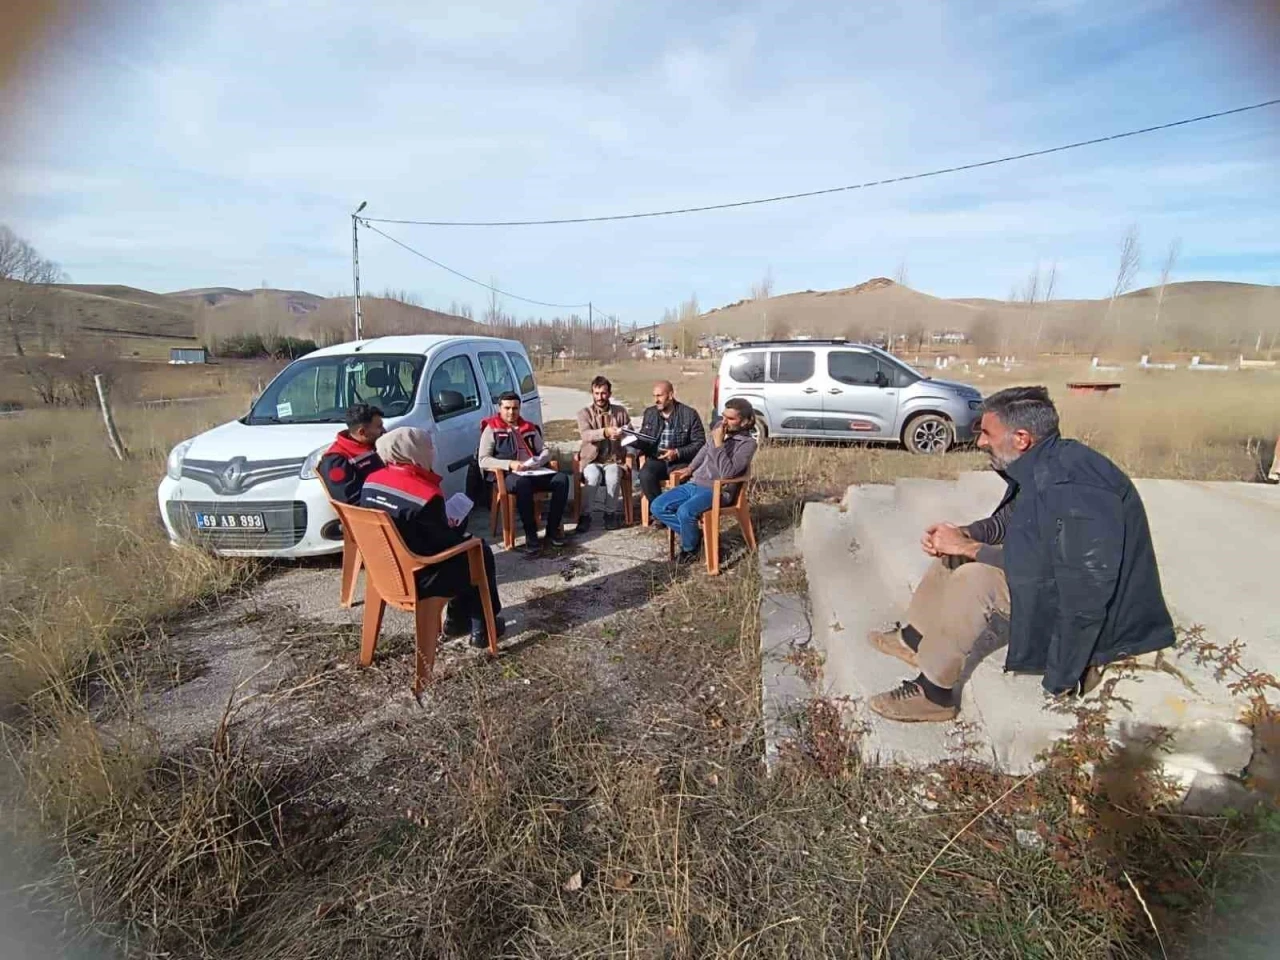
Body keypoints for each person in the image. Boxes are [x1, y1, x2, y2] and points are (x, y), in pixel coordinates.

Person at [866, 385, 1175, 723]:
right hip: (1053, 574)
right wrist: (967, 535)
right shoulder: (1043, 462)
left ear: (1022, 438)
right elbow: (1012, 520)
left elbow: (1083, 588)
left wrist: (1064, 675)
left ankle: (934, 694)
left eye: (987, 433)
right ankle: (914, 641)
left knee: (975, 578)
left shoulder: (1076, 487)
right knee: (955, 554)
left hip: (1105, 622)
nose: (981, 442)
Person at [360, 427, 504, 648]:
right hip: (420, 576)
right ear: (412, 451)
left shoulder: (371, 481)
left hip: (384, 567)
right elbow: (444, 543)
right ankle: (483, 627)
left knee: (470, 551)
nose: (432, 451)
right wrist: (455, 524)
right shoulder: (424, 494)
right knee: (478, 552)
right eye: (428, 447)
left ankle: (458, 622)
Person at [650, 397, 757, 565]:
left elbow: (727, 474)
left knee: (685, 511)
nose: (724, 422)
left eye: (731, 419)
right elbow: (704, 450)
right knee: (657, 506)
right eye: (723, 417)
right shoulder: (718, 429)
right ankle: (696, 536)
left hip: (718, 490)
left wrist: (719, 444)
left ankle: (690, 549)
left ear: (744, 422)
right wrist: (690, 469)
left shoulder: (748, 444)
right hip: (695, 483)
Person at [478, 391, 571, 554]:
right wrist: (510, 464)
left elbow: (545, 450)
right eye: (507, 408)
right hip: (509, 475)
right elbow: (483, 460)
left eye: (515, 408)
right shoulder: (492, 428)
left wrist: (538, 461)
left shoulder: (528, 427)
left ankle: (552, 529)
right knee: (523, 485)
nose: (511, 412)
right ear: (499, 408)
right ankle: (531, 534)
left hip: (533, 471)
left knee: (562, 480)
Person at [632, 380, 706, 511]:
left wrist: (677, 452)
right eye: (654, 396)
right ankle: (661, 511)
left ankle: (677, 512)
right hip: (657, 459)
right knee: (645, 475)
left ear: (670, 395)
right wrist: (629, 438)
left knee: (684, 478)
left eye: (659, 396)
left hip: (680, 460)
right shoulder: (650, 413)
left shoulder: (689, 414)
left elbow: (700, 443)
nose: (656, 400)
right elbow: (645, 440)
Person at [575, 375, 631, 532]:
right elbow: (586, 435)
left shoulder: (620, 412)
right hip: (592, 460)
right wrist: (605, 432)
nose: (600, 397)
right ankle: (585, 515)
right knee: (592, 477)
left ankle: (610, 514)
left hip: (614, 459)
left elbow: (631, 434)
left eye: (604, 393)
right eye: (597, 393)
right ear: (592, 393)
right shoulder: (584, 413)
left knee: (613, 474)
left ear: (610, 394)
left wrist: (622, 434)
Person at [319, 402, 385, 504]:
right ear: (362, 432)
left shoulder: (374, 443)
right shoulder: (337, 459)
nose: (383, 430)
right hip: (377, 511)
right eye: (379, 427)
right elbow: (350, 500)